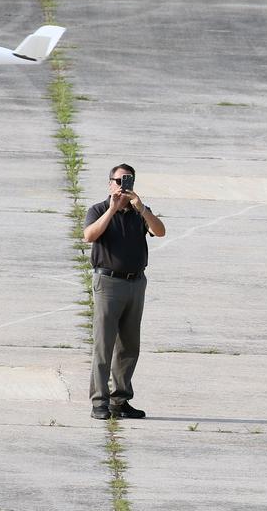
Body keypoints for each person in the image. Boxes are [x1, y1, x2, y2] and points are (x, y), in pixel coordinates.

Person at [84, 163, 166, 420]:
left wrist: (140, 207)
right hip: (108, 283)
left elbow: (159, 231)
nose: (122, 186)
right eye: (118, 181)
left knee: (129, 345)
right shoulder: (98, 209)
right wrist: (111, 209)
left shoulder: (139, 211)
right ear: (110, 184)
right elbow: (89, 235)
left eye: (127, 181)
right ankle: (100, 401)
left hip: (136, 283)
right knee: (104, 345)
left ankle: (121, 400)